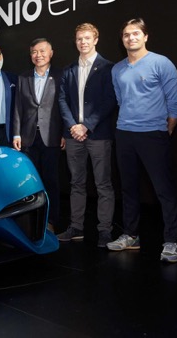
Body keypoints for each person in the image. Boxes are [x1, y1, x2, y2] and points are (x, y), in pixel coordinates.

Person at [107, 18, 177, 263]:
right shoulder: (117, 69)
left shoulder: (161, 63)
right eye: (126, 34)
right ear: (122, 39)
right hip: (124, 134)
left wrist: (165, 129)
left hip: (153, 135)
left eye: (136, 33)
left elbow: (176, 102)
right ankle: (131, 235)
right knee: (128, 188)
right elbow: (121, 100)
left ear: (145, 36)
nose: (131, 38)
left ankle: (171, 241)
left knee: (164, 190)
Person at [57, 23, 117, 248]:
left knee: (103, 184)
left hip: (98, 135)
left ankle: (105, 231)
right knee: (76, 183)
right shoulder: (69, 69)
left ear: (96, 40)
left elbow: (110, 100)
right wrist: (73, 126)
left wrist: (87, 126)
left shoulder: (108, 68)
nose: (83, 42)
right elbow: (62, 100)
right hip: (73, 136)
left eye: (87, 38)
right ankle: (76, 228)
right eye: (79, 38)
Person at [12, 38, 65, 232]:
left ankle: (51, 221)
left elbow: (65, 106)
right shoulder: (23, 77)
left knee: (51, 181)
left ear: (51, 53)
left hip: (52, 136)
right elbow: (18, 107)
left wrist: (65, 133)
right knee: (28, 182)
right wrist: (16, 134)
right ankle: (30, 220)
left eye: (42, 51)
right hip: (28, 138)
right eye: (34, 52)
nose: (38, 55)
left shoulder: (61, 75)